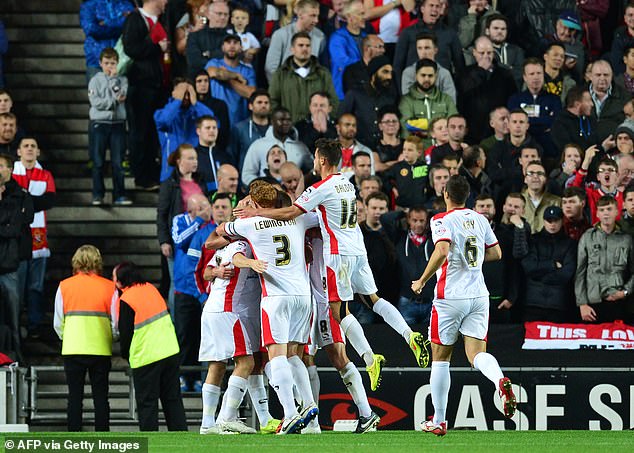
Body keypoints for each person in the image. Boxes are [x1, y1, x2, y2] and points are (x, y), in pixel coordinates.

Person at [234, 138, 430, 393]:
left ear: (323, 159)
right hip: (358, 249)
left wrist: (258, 213)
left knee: (338, 311)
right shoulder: (347, 184)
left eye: (315, 157)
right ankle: (408, 335)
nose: (313, 162)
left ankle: (370, 358)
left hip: (338, 255)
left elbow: (292, 212)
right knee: (373, 298)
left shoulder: (321, 188)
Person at [411, 175, 517, 436]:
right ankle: (499, 380)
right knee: (476, 354)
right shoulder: (480, 219)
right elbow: (496, 253)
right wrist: (474, 260)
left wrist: (422, 280)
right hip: (479, 295)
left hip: (450, 297)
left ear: (446, 194)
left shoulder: (440, 220)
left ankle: (439, 419)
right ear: (468, 196)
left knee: (440, 358)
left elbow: (443, 250)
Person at [217, 184, 321, 434]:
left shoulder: (248, 224)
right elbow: (319, 216)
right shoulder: (297, 219)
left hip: (276, 297)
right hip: (303, 296)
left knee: (277, 356)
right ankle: (310, 411)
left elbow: (221, 230)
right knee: (296, 354)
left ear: (254, 203)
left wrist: (244, 214)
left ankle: (290, 414)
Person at [114, 261, 187, 431]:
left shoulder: (126, 299)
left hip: (146, 356)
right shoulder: (151, 289)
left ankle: (151, 440)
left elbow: (126, 334)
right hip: (170, 351)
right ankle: (181, 438)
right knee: (173, 400)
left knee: (147, 404)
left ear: (120, 281)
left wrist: (126, 355)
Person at [53, 245, 117, 432]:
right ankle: (103, 438)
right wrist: (111, 337)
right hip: (100, 348)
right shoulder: (109, 287)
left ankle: (74, 436)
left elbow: (58, 321)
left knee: (74, 396)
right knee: (101, 397)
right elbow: (115, 321)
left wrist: (68, 337)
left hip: (73, 348)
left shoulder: (65, 286)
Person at [121, 0, 169, 190]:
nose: (166, 2)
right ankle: (141, 176)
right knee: (140, 132)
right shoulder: (134, 19)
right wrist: (157, 46)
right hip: (140, 86)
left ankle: (153, 173)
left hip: (159, 86)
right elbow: (131, 48)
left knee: (153, 133)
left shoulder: (163, 19)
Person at [12, 138, 56, 337]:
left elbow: (50, 200)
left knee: (36, 286)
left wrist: (25, 200)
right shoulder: (10, 173)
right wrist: (30, 201)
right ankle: (16, 323)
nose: (29, 149)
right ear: (19, 152)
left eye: (33, 146)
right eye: (25, 146)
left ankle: (34, 324)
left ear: (38, 152)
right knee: (18, 284)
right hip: (17, 237)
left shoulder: (46, 174)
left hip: (39, 238)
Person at [575, 195, 634, 323]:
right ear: (597, 213)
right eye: (602, 210)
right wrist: (582, 304)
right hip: (592, 304)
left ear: (617, 211)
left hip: (618, 302)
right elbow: (580, 273)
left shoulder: (626, 239)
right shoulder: (587, 237)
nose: (605, 213)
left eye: (609, 209)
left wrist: (625, 292)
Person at [0, 153, 33, 361]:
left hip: (10, 265)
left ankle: (17, 356)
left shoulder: (19, 196)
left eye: (1, 166)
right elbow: (10, 225)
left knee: (13, 316)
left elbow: (19, 224)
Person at [88, 47, 131, 205]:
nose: (110, 67)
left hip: (118, 124)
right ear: (100, 63)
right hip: (99, 124)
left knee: (118, 162)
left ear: (118, 64)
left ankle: (119, 195)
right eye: (106, 63)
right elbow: (95, 102)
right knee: (98, 161)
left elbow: (122, 95)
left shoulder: (123, 80)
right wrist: (112, 103)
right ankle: (97, 194)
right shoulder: (95, 80)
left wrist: (114, 81)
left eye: (113, 63)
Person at [520, 206, 577, 323]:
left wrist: (539, 276)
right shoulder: (533, 240)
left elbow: (567, 273)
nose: (552, 224)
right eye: (549, 221)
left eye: (555, 220)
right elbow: (528, 267)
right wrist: (553, 265)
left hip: (558, 304)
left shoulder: (570, 244)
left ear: (562, 221)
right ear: (544, 220)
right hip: (533, 303)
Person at [456, 35, 517, 144]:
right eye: (482, 53)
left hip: (498, 130)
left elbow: (513, 99)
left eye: (489, 53)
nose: (486, 57)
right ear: (474, 52)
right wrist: (480, 71)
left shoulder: (504, 74)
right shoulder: (464, 73)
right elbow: (463, 95)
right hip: (472, 130)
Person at [269, 31, 338, 123]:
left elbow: (333, 102)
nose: (305, 49)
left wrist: (325, 123)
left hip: (316, 130)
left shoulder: (323, 73)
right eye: (301, 45)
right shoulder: (280, 74)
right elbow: (273, 102)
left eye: (308, 46)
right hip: (289, 129)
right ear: (292, 49)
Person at [155, 80, 215, 183]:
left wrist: (195, 103)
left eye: (188, 93)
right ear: (174, 93)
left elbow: (210, 120)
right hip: (170, 173)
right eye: (182, 93)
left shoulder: (196, 114)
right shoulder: (161, 113)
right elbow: (164, 121)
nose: (186, 97)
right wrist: (177, 101)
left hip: (195, 172)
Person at [393, 0, 464, 83]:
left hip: (442, 89)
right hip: (413, 88)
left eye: (437, 6)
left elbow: (460, 65)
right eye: (431, 5)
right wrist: (402, 93)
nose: (434, 9)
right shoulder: (407, 33)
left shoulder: (450, 33)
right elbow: (398, 66)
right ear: (422, 9)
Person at [339, 55, 399, 148]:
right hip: (359, 149)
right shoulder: (354, 94)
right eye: (385, 72)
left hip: (385, 148)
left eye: (391, 73)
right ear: (373, 74)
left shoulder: (390, 97)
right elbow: (341, 119)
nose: (389, 77)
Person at [241, 108, 312, 186]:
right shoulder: (258, 145)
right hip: (266, 195)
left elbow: (313, 168)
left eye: (288, 120)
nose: (285, 123)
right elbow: (247, 174)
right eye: (281, 120)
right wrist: (265, 187)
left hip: (296, 194)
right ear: (272, 122)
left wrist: (300, 182)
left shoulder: (300, 146)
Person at [264, 0, 326, 82]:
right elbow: (270, 68)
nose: (316, 20)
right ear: (300, 14)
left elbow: (321, 68)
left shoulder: (320, 37)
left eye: (317, 16)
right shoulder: (280, 34)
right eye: (312, 16)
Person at [205, 34, 256, 127]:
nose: (232, 46)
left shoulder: (248, 71)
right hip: (215, 121)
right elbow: (213, 72)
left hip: (240, 123)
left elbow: (251, 93)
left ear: (241, 48)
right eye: (228, 43)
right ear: (223, 47)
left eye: (235, 43)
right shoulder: (213, 63)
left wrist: (227, 78)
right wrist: (235, 76)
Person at [79, 0, 135, 82]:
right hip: (97, 62)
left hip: (122, 62)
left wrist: (105, 23)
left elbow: (132, 27)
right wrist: (120, 25)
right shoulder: (89, 5)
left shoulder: (126, 4)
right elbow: (91, 29)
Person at [399, 59, 457, 136]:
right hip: (418, 146)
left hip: (442, 146)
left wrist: (421, 127)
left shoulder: (446, 99)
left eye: (430, 76)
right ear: (416, 75)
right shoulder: (406, 100)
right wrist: (438, 125)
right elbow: (407, 126)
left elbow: (453, 124)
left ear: (436, 76)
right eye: (423, 75)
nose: (426, 79)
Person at [571, 149, 624, 224]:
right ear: (598, 177)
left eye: (610, 170)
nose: (606, 172)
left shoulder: (625, 197)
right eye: (602, 170)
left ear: (617, 175)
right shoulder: (591, 195)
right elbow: (575, 189)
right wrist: (586, 162)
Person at [400, 33, 457, 102]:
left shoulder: (444, 74)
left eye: (427, 48)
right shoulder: (408, 73)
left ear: (435, 50)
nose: (423, 52)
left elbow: (451, 102)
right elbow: (408, 102)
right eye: (419, 48)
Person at [329, 0, 368, 100]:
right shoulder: (337, 38)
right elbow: (343, 62)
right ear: (350, 17)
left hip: (363, 92)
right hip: (343, 93)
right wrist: (366, 63)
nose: (365, 17)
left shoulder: (366, 36)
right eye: (361, 14)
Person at [185, 0, 229, 79]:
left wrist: (209, 54)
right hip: (200, 82)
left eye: (226, 14)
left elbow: (233, 62)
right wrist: (218, 66)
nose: (223, 17)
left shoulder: (233, 39)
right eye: (219, 14)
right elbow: (194, 62)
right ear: (208, 15)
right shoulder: (194, 37)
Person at [229, 89, 270, 173]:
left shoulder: (275, 128)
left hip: (272, 181)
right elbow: (232, 157)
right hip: (247, 181)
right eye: (259, 102)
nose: (263, 105)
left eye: (266, 103)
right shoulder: (239, 129)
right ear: (250, 106)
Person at [588, 60, 629, 142]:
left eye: (606, 75)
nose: (602, 78)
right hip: (583, 149)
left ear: (612, 76)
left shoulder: (625, 97)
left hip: (615, 147)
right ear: (590, 76)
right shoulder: (578, 95)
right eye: (598, 75)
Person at [383, 135, 428, 208]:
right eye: (404, 149)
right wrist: (392, 188)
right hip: (401, 206)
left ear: (419, 153)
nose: (406, 153)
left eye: (410, 150)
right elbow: (385, 178)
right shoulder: (397, 167)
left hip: (421, 206)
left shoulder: (425, 167)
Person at [193, 71, 231, 149]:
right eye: (199, 81)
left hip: (215, 148)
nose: (203, 84)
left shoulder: (220, 105)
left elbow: (224, 131)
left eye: (206, 81)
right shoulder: (189, 106)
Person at [521, 160, 561, 233]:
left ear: (545, 179)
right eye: (531, 173)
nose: (535, 177)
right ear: (525, 179)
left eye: (540, 173)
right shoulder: (516, 202)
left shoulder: (557, 202)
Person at [195, 115, 232, 191]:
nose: (212, 130)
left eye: (214, 128)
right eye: (207, 128)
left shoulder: (225, 156)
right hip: (202, 200)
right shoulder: (193, 156)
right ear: (198, 131)